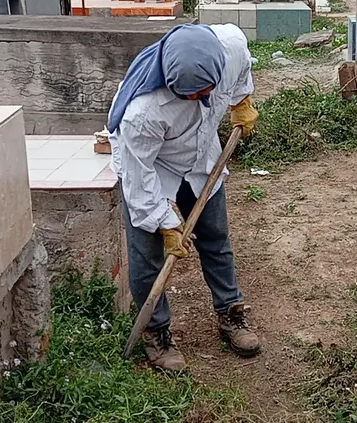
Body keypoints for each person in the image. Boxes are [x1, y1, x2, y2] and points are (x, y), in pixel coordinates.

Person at [107, 23, 261, 371]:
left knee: (215, 237)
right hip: (151, 167)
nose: (198, 100)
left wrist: (242, 102)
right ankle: (156, 331)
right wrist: (165, 224)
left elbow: (240, 76)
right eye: (188, 95)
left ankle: (230, 312)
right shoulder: (142, 112)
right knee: (148, 256)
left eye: (205, 92)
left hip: (203, 156)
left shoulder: (231, 48)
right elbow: (138, 177)